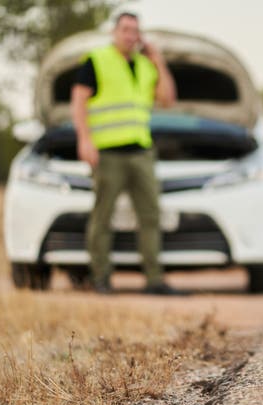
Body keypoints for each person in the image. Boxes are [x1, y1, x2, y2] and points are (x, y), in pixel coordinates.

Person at [71, 12, 183, 295]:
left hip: (141, 151)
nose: (130, 35)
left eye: (135, 31)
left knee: (150, 216)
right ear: (114, 32)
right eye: (125, 29)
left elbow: (168, 99)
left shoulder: (146, 66)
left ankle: (154, 280)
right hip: (107, 152)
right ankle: (101, 278)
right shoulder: (96, 60)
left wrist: (157, 60)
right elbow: (79, 100)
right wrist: (85, 139)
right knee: (103, 216)